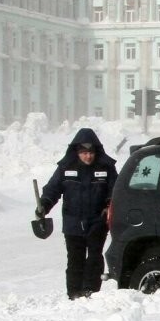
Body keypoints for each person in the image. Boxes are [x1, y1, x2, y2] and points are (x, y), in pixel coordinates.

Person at [37, 128, 118, 300]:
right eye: (84, 153)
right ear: (77, 152)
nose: (88, 156)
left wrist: (108, 206)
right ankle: (74, 293)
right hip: (72, 222)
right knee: (75, 259)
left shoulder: (107, 167)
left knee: (95, 256)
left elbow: (115, 191)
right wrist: (44, 205)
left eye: (91, 152)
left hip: (97, 221)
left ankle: (90, 290)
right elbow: (52, 190)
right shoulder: (65, 168)